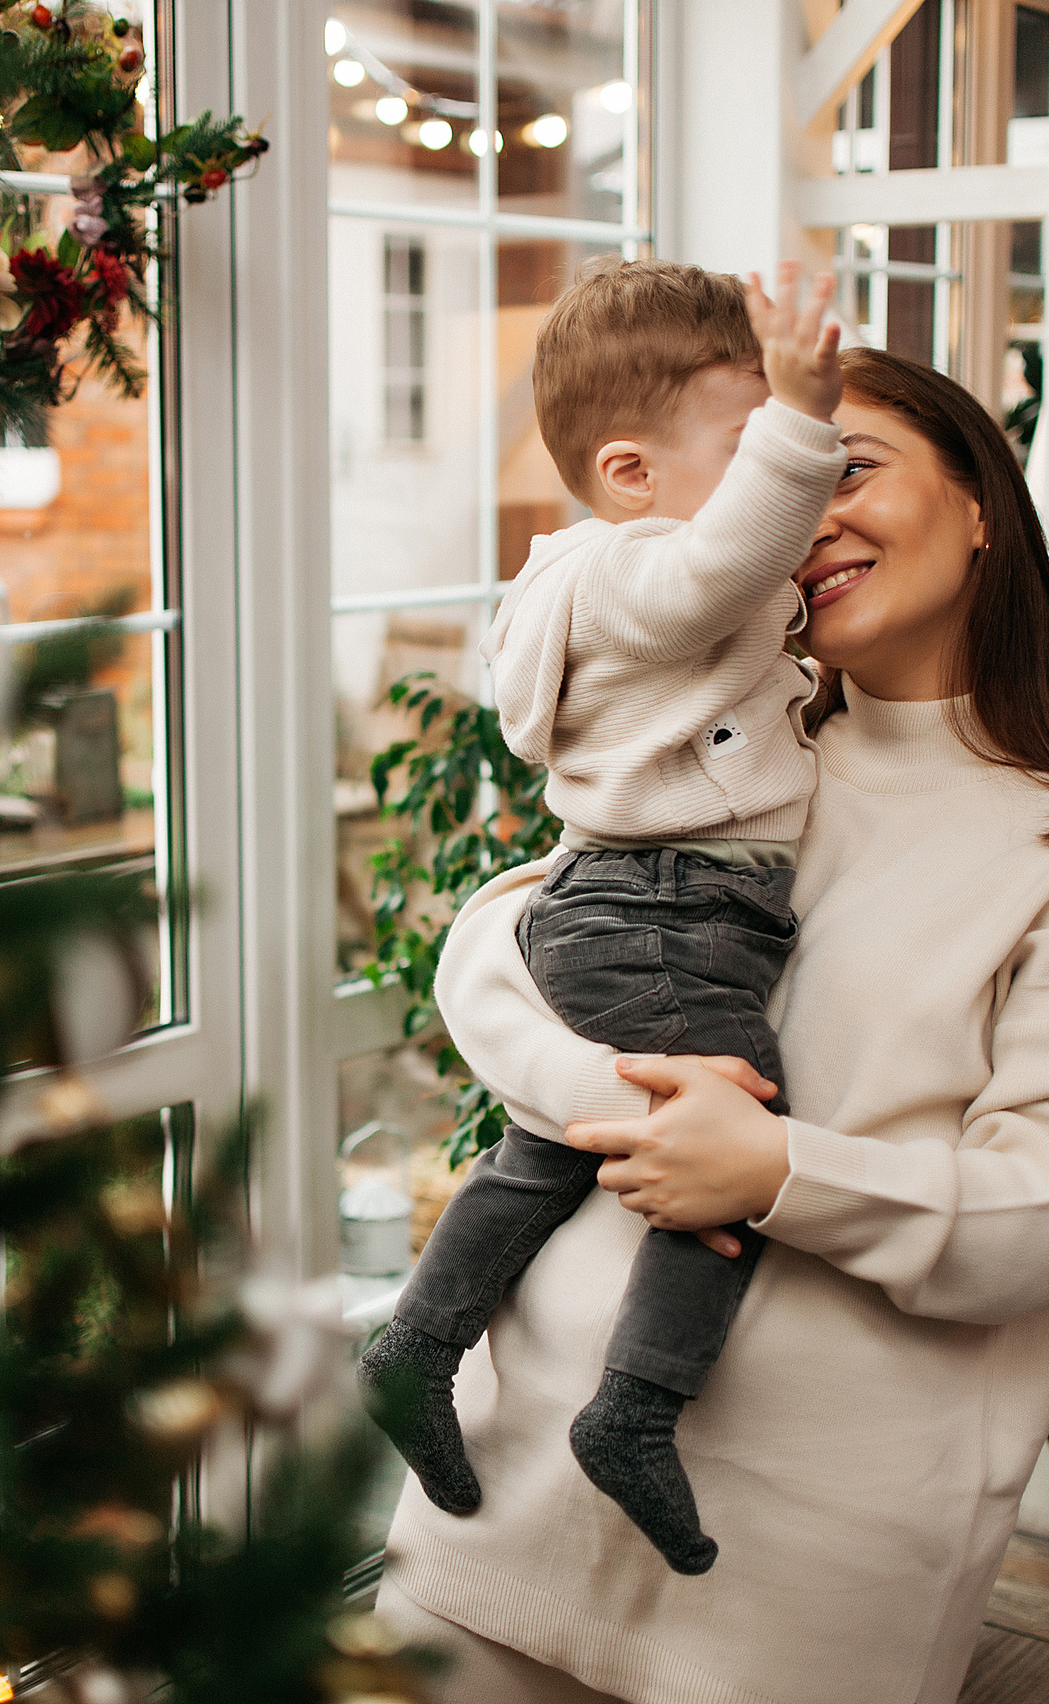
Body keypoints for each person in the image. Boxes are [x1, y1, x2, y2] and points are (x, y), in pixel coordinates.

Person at [373, 344, 1049, 1704]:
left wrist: (778, 1175)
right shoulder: (741, 757)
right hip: (498, 1504)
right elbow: (492, 949)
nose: (809, 520)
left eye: (849, 468)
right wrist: (623, 1100)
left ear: (985, 500)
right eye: (780, 484)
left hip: (790, 1584)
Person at [359, 258, 852, 1577]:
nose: (794, 480)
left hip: (627, 905)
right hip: (666, 912)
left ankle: (415, 1344)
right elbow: (719, 568)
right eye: (751, 446)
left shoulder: (598, 576)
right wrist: (804, 415)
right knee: (733, 1133)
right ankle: (636, 1409)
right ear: (632, 473)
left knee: (548, 1146)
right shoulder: (638, 572)